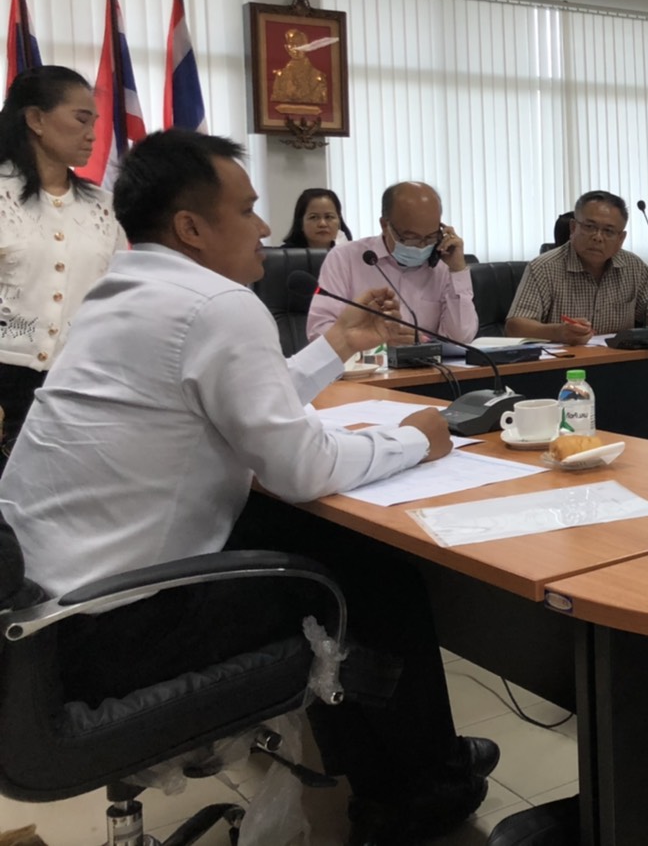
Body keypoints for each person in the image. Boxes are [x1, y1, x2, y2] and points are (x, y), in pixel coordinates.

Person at [0, 129, 496, 843]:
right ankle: (425, 789)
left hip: (41, 620)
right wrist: (419, 438)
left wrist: (337, 344)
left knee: (325, 548)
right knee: (370, 578)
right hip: (111, 630)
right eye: (246, 210)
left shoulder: (120, 292)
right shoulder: (216, 304)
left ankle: (401, 775)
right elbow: (302, 468)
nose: (264, 228)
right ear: (191, 228)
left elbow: (234, 400)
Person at [0, 66, 126, 468]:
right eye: (81, 119)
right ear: (36, 119)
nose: (92, 134)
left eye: (94, 122)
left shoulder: (103, 207)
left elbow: (115, 299)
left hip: (78, 385)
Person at [308, 181, 477, 345]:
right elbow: (319, 332)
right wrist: (376, 344)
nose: (421, 246)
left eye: (431, 237)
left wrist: (458, 270)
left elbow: (460, 339)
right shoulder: (344, 258)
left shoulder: (444, 264)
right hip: (365, 364)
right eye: (411, 237)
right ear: (384, 225)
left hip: (431, 364)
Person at [506, 190, 648, 344]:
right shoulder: (543, 268)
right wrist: (558, 332)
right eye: (590, 227)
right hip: (564, 364)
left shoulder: (634, 267)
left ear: (621, 239)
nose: (598, 237)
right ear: (573, 228)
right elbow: (515, 327)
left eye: (608, 231)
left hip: (620, 360)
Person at [281, 186, 353, 248]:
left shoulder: (351, 253)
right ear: (301, 223)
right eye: (314, 217)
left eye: (328, 217)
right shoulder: (284, 256)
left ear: (339, 220)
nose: (322, 224)